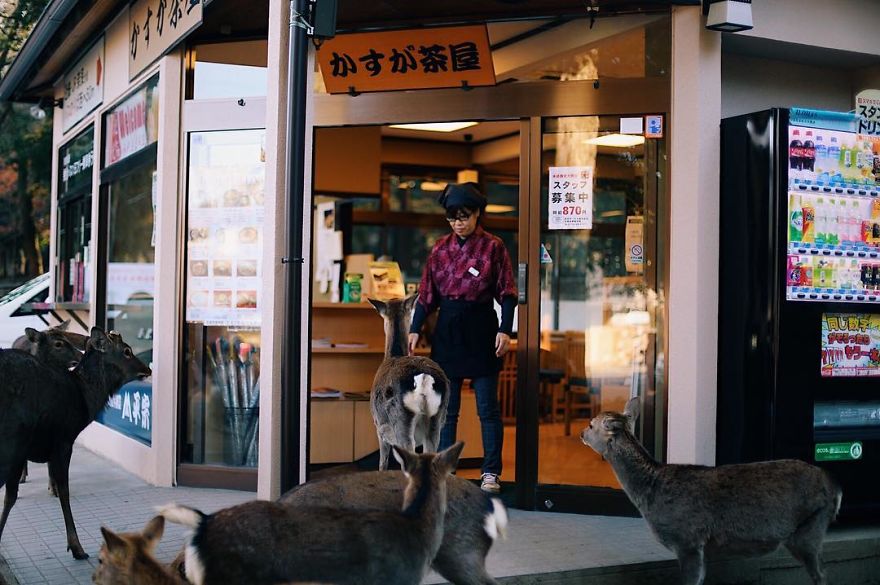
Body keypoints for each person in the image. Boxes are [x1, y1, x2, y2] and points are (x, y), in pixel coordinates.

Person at [408, 182, 517, 493]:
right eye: (453, 218)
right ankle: (446, 470)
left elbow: (507, 293)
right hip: (448, 330)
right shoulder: (439, 250)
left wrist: (505, 330)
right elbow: (426, 295)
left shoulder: (493, 247)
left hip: (482, 327)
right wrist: (415, 327)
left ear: (477, 214)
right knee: (448, 408)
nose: (459, 223)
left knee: (487, 408)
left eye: (464, 217)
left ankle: (490, 472)